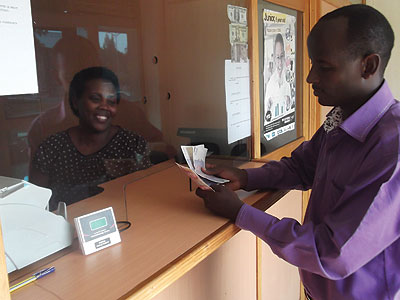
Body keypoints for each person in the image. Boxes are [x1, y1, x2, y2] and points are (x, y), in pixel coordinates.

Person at [196, 5, 398, 300]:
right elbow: (303, 167)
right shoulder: (341, 117)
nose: (310, 78)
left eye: (324, 67)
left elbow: (332, 253)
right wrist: (245, 177)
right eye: (311, 64)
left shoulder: (392, 147)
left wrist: (239, 212)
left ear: (368, 66)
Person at [29, 67, 152, 211]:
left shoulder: (132, 144)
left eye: (111, 101)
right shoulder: (51, 148)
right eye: (95, 99)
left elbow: (147, 198)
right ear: (75, 101)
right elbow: (33, 204)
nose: (105, 107)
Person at [264, 33, 291, 122]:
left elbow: (290, 112)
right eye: (277, 57)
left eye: (282, 56)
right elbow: (266, 116)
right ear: (274, 58)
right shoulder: (270, 85)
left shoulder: (287, 84)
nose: (280, 61)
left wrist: (288, 103)